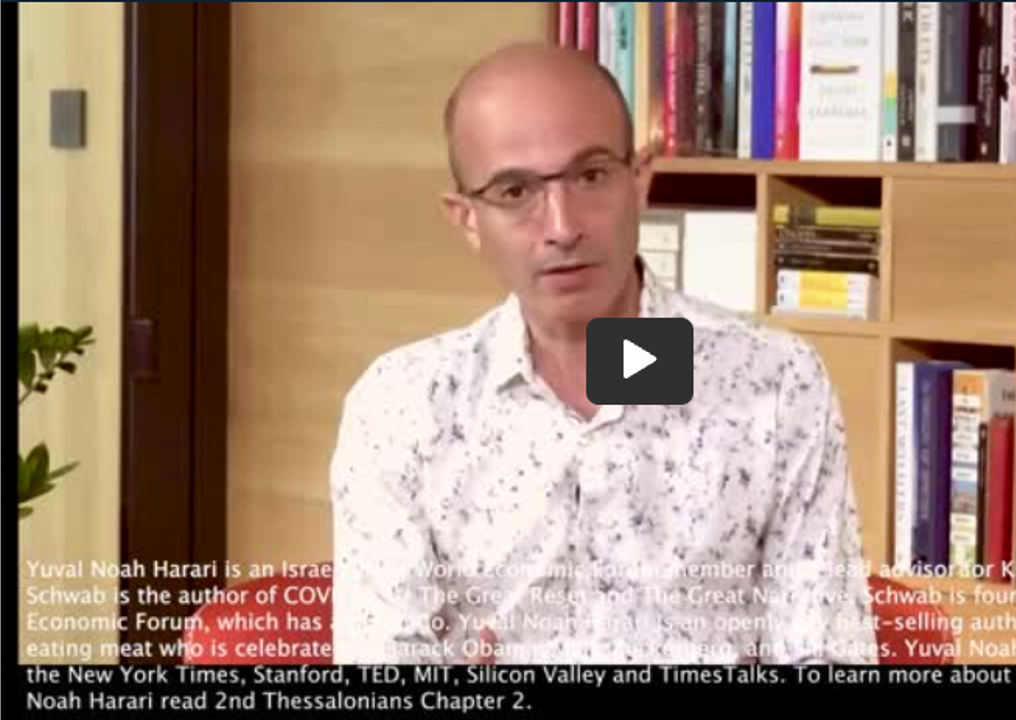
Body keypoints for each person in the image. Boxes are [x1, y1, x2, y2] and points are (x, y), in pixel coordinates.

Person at [330, 42, 878, 665]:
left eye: (590, 176)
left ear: (639, 180)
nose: (563, 227)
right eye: (515, 191)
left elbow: (828, 653)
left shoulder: (775, 383)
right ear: (467, 219)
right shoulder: (400, 408)